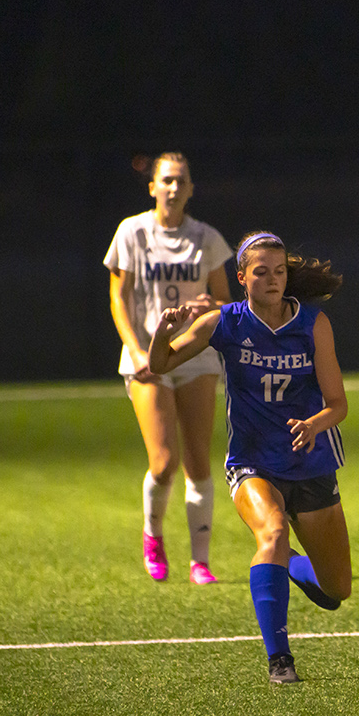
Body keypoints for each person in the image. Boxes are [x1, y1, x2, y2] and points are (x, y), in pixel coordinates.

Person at [149, 232, 351, 683]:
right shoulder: (225, 323)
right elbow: (160, 364)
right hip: (252, 462)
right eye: (261, 272)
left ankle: (292, 566)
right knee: (273, 532)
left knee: (337, 589)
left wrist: (314, 425)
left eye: (279, 272)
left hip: (311, 462)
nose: (273, 280)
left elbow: (338, 404)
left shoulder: (313, 324)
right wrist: (162, 335)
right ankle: (280, 660)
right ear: (242, 278)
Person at [105, 152, 232, 585]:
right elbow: (118, 299)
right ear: (152, 187)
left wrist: (208, 305)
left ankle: (201, 561)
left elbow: (225, 301)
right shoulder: (132, 232)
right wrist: (137, 351)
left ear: (192, 188)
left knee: (199, 461)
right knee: (163, 462)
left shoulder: (206, 237)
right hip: (147, 356)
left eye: (181, 181)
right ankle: (153, 537)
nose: (174, 188)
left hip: (196, 355)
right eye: (166, 181)